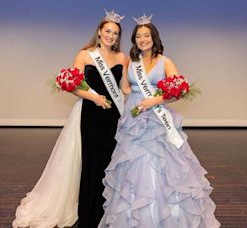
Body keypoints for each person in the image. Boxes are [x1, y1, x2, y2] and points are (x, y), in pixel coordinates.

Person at [98, 15, 221, 227]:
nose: (143, 39)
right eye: (138, 36)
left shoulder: (166, 61)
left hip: (156, 117)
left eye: (147, 35)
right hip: (134, 117)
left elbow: (179, 91)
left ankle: (163, 215)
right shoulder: (132, 61)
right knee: (133, 163)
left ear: (154, 37)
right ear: (134, 40)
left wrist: (155, 99)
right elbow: (126, 88)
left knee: (160, 163)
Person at [12, 10, 130, 228]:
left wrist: (148, 94)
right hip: (91, 115)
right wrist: (94, 98)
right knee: (90, 162)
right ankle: (88, 214)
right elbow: (74, 86)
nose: (111, 36)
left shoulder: (122, 57)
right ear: (99, 32)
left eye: (115, 33)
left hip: (114, 116)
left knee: (109, 163)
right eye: (108, 31)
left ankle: (106, 210)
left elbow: (124, 88)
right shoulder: (85, 54)